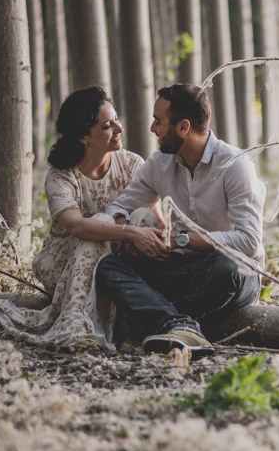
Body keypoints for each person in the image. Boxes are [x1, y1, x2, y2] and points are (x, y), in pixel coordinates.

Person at [0, 87, 168, 350]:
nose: (119, 128)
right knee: (102, 221)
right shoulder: (60, 176)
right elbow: (76, 225)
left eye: (116, 119)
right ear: (84, 137)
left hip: (117, 260)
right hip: (63, 263)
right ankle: (75, 326)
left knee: (143, 216)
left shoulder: (132, 164)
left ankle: (136, 319)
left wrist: (149, 241)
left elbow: (157, 223)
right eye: (107, 126)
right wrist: (130, 233)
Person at [96, 83, 265, 359]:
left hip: (229, 274)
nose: (152, 128)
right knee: (110, 267)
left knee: (228, 266)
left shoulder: (235, 165)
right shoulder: (158, 164)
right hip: (180, 269)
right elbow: (120, 207)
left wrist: (182, 239)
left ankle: (156, 319)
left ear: (183, 127)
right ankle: (180, 325)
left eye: (158, 121)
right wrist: (132, 235)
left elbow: (249, 241)